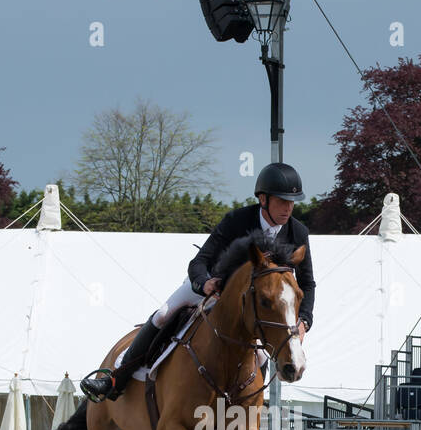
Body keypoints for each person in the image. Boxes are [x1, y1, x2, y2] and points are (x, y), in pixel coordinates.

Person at [80, 162, 315, 402]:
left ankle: (250, 404)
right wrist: (204, 284)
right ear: (263, 199)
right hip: (212, 290)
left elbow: (307, 284)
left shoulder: (298, 232)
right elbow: (198, 262)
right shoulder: (236, 220)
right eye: (282, 201)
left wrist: (304, 320)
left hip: (251, 308)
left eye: (292, 202)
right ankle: (116, 379)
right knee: (163, 314)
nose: (288, 208)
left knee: (262, 357)